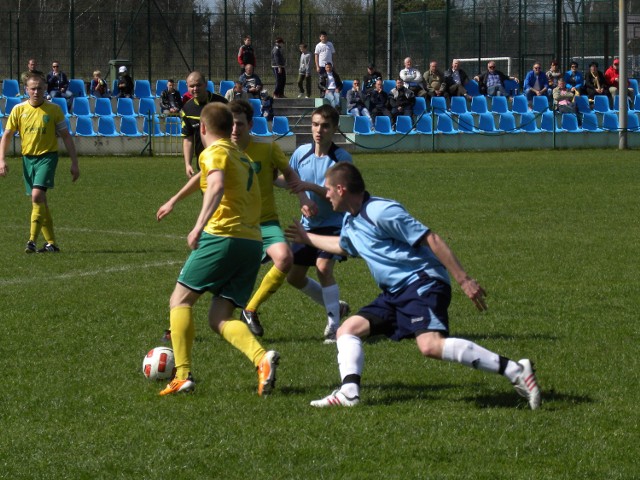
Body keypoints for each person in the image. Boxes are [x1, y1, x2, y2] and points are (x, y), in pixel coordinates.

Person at [285, 162, 541, 410]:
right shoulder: (350, 221)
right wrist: (307, 238)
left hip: (421, 282)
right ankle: (349, 394)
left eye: (328, 189)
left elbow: (431, 238)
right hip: (396, 292)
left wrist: (464, 279)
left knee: (429, 345)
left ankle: (516, 371)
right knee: (348, 330)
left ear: (341, 189)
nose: (325, 194)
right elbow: (342, 245)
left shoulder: (381, 211)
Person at [155, 102, 279, 397]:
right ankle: (262, 359)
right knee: (219, 317)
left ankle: (182, 374)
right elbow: (208, 177)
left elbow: (216, 184)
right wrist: (174, 200)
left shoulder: (212, 152)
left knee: (180, 300)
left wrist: (199, 225)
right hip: (251, 243)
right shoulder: (241, 156)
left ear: (203, 128)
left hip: (222, 237)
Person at [157, 100, 305, 339]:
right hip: (231, 226)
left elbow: (286, 174)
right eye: (232, 124)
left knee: (285, 258)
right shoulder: (224, 151)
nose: (235, 130)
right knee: (208, 287)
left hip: (262, 223)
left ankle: (250, 309)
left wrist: (303, 197)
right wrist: (174, 200)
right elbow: (204, 179)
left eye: (240, 124)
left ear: (250, 125)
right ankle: (177, 324)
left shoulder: (264, 149)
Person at [286, 105, 352, 343]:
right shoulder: (301, 153)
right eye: (315, 125)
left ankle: (334, 327)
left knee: (323, 268)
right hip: (308, 225)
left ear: (334, 129)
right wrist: (302, 198)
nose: (318, 130)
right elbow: (290, 181)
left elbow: (341, 195)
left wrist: (310, 188)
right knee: (293, 277)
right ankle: (336, 306)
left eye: (325, 126)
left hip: (335, 223)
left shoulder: (342, 159)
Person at [0, 73, 80, 253]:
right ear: (26, 90)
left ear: (45, 89)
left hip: (47, 157)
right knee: (40, 200)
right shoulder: (18, 110)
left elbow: (66, 137)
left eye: (40, 88)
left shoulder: (53, 110)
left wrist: (74, 163)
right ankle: (51, 243)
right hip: (28, 159)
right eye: (33, 88)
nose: (36, 92)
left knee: (37, 196)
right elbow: (6, 135)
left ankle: (31, 241)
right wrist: (1, 159)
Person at [181, 71, 228, 177]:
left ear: (206, 84)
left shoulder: (222, 103)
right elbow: (188, 139)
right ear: (187, 87)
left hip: (225, 160)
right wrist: (187, 164)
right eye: (192, 86)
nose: (195, 89)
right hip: (203, 163)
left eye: (198, 85)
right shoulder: (187, 109)